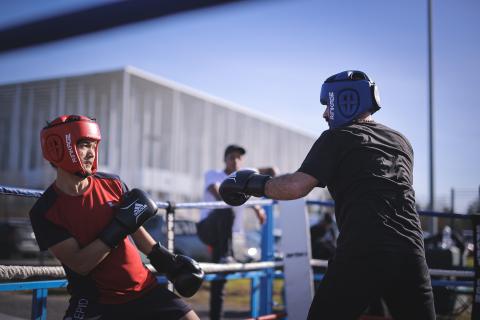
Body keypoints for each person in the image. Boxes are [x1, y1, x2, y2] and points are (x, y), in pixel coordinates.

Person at [219, 71, 436, 320]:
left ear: (345, 100)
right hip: (411, 251)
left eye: (327, 106)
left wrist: (249, 183)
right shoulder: (401, 141)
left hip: (363, 248)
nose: (324, 115)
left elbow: (295, 186)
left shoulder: (337, 137)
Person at [29, 115, 204, 320]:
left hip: (144, 290)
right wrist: (119, 226)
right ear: (57, 147)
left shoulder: (112, 184)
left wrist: (166, 261)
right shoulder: (45, 211)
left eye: (94, 146)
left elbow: (134, 227)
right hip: (96, 301)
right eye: (84, 145)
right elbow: (80, 264)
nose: (91, 153)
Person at [196, 144, 276, 320]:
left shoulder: (244, 176)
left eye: (239, 158)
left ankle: (216, 317)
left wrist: (257, 207)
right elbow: (219, 193)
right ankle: (226, 254)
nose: (235, 161)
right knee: (227, 205)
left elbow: (269, 170)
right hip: (208, 229)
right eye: (232, 157)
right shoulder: (213, 174)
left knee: (220, 280)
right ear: (225, 160)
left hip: (228, 238)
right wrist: (254, 205)